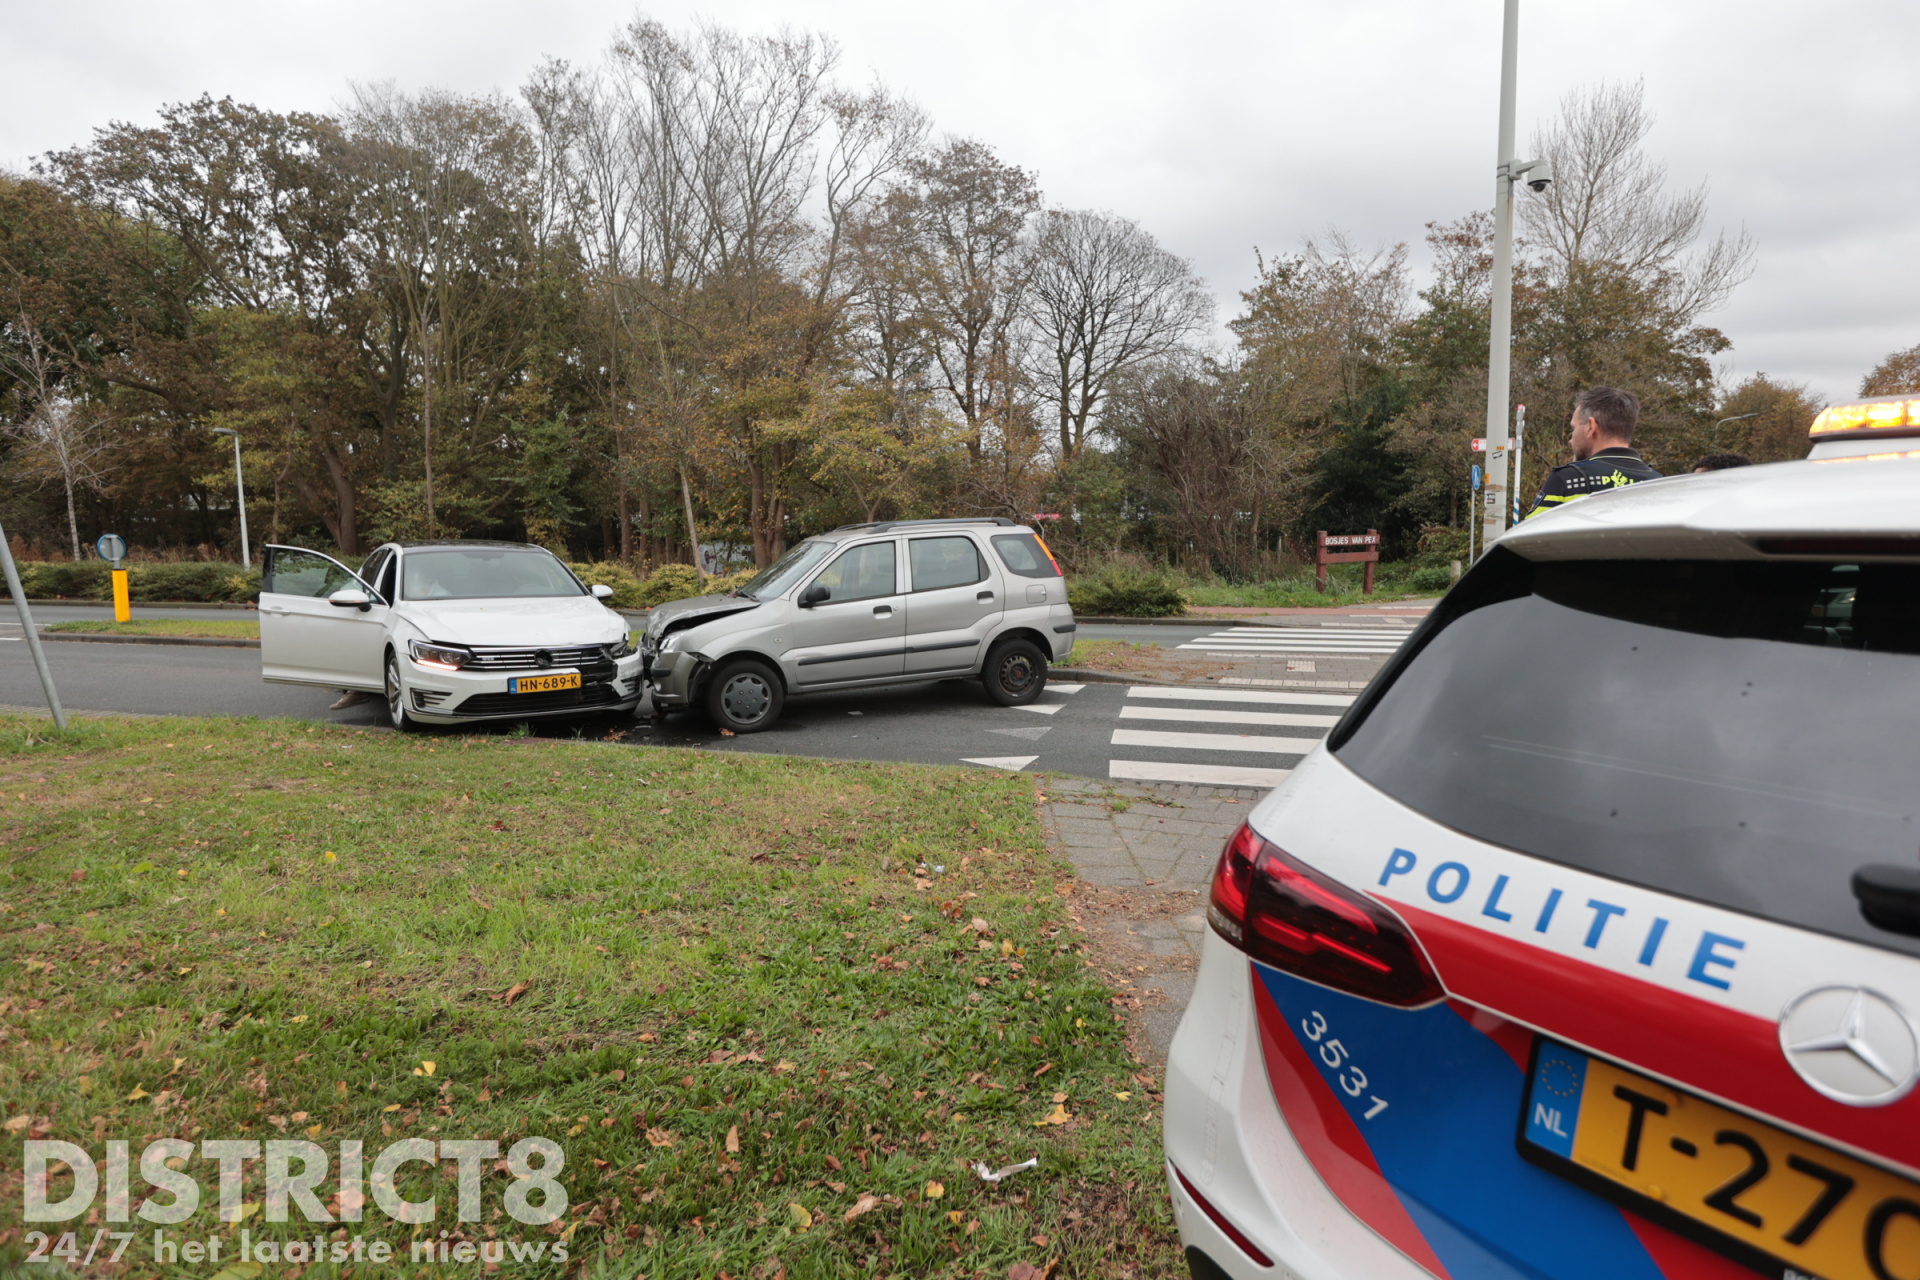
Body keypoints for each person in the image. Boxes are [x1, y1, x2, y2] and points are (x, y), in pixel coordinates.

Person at [1524, 386, 1662, 519]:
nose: (1570, 440)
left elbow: (1528, 537)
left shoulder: (1567, 479)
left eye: (1574, 428)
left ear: (1590, 427)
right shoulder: (1660, 484)